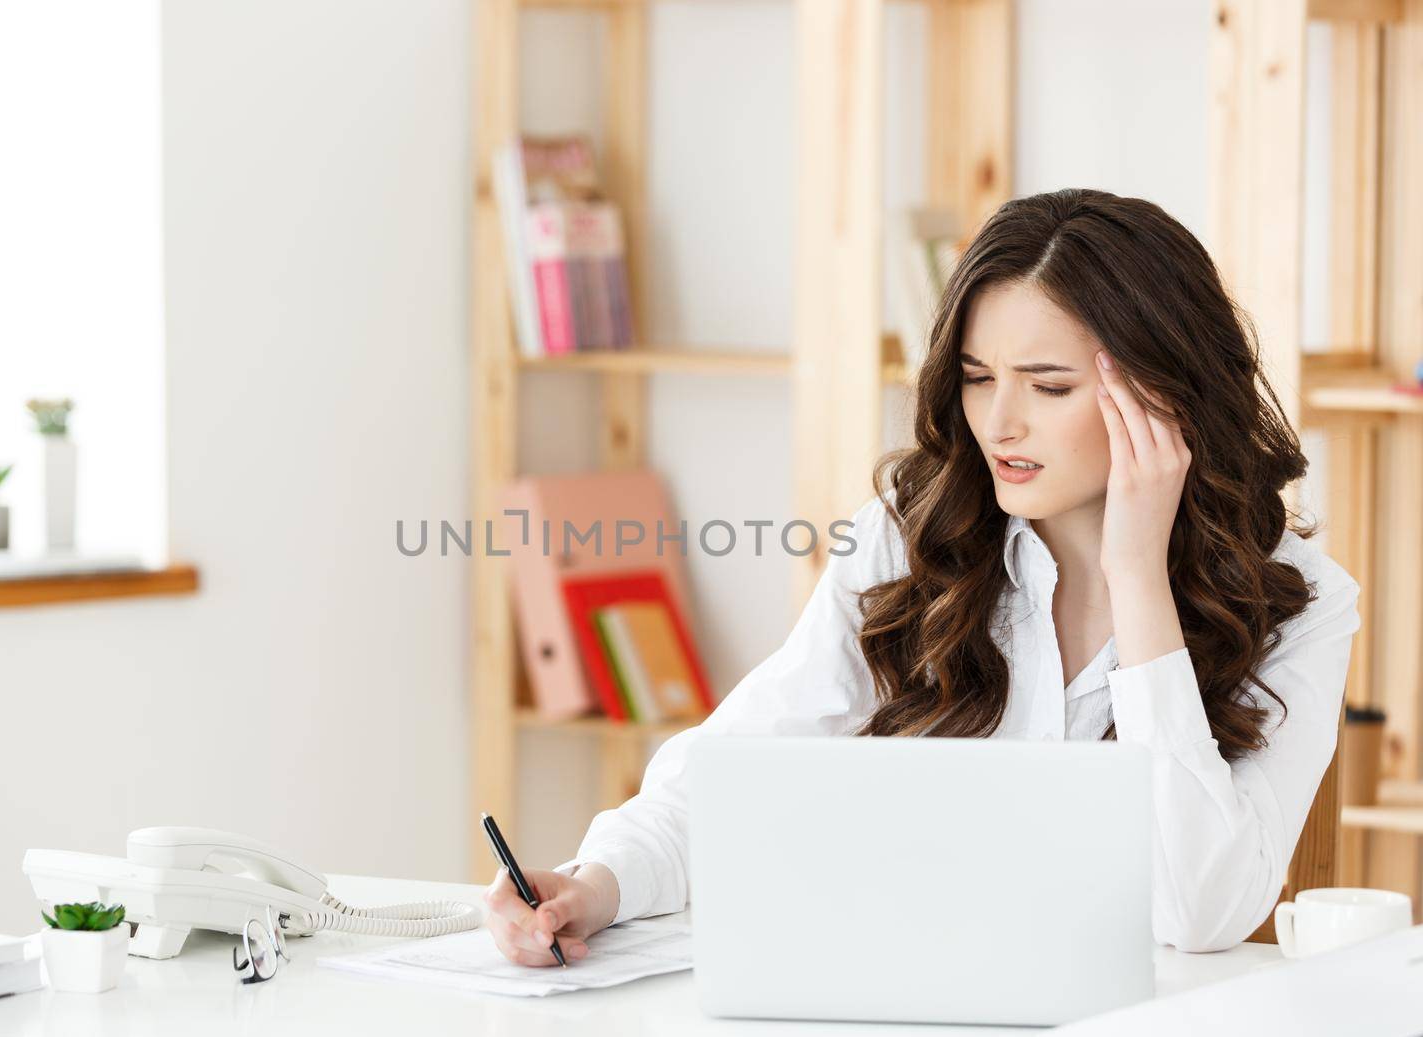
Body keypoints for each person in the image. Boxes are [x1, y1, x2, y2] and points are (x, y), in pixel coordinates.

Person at [482, 188, 1361, 964]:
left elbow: (1202, 912)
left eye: (1049, 387)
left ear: (1166, 393)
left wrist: (1139, 578)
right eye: (978, 378)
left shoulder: (1304, 604)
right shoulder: (913, 541)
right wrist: (596, 884)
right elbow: (739, 764)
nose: (1000, 422)